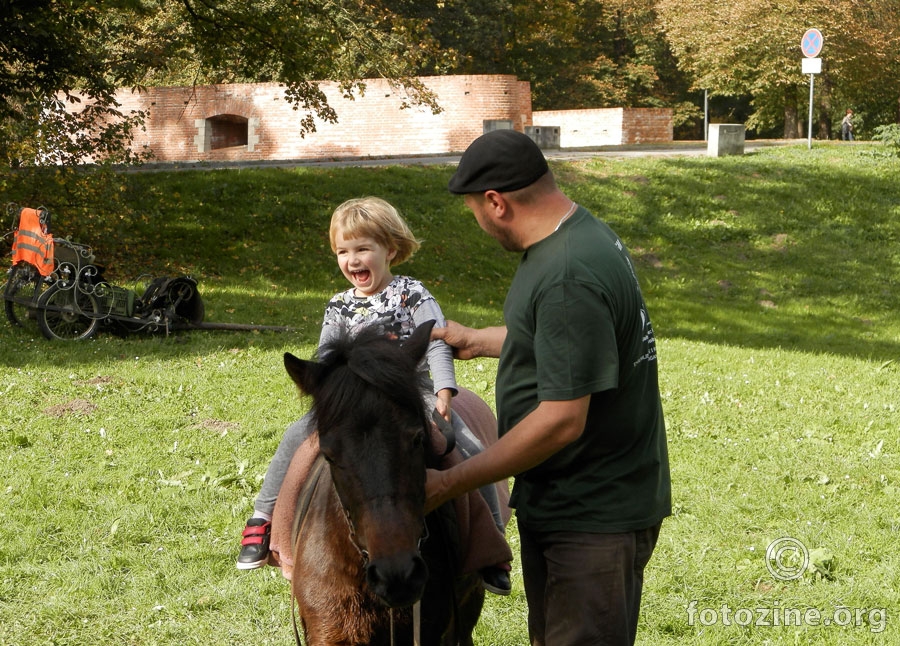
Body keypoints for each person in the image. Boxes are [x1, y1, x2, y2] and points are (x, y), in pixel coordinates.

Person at [426, 129, 672, 645]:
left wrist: (450, 483)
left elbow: (561, 419)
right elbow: (568, 338)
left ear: (496, 203)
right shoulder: (579, 234)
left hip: (589, 516)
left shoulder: (565, 273)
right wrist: (481, 339)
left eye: (474, 209)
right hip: (579, 501)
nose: (478, 222)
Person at [237, 196, 511, 595]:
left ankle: (490, 541)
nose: (353, 260)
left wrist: (445, 388)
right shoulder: (338, 305)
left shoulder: (411, 293)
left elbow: (435, 341)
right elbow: (328, 359)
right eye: (343, 251)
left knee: (464, 442)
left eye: (363, 248)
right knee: (297, 436)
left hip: (407, 391)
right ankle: (264, 519)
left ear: (391, 250)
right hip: (354, 399)